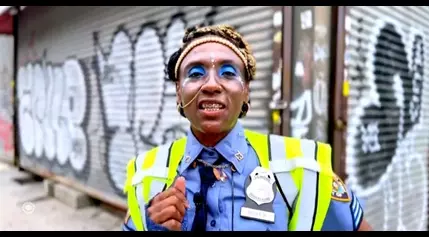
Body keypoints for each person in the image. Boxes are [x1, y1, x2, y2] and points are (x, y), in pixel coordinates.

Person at [122, 24, 372, 231]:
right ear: (179, 91)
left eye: (228, 73)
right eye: (196, 73)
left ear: (246, 91)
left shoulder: (304, 168)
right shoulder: (148, 175)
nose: (211, 85)